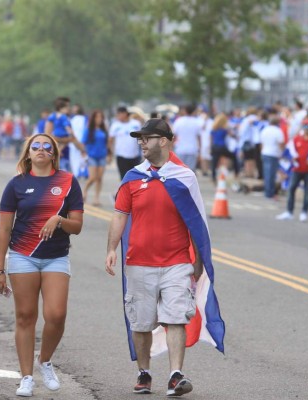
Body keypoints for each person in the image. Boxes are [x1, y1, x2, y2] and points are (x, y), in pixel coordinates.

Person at [105, 118, 225, 397]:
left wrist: (198, 261)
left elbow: (196, 220)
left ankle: (175, 375)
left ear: (164, 140)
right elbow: (119, 215)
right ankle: (144, 372)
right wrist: (111, 248)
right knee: (141, 322)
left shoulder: (184, 177)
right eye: (140, 139)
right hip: (138, 263)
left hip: (177, 262)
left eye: (147, 138)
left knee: (175, 318)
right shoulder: (133, 177)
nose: (142, 143)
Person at [0, 133, 83, 397]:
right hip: (22, 255)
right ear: (28, 153)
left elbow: (76, 226)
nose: (42, 150)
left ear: (54, 153)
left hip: (56, 256)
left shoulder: (68, 182)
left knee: (56, 315)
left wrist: (59, 220)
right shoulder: (16, 185)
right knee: (25, 316)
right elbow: (4, 229)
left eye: (47, 147)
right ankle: (26, 377)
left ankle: (44, 360)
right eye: (36, 146)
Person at [276, 119, 308, 222]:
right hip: (297, 168)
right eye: (305, 127)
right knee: (291, 189)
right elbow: (290, 150)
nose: (307, 129)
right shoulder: (296, 139)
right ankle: (289, 211)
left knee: (307, 191)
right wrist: (294, 157)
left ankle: (304, 212)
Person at [45, 97, 85, 171]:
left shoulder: (70, 117)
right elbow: (47, 134)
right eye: (67, 106)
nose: (69, 108)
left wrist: (82, 148)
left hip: (68, 149)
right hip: (57, 148)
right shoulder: (55, 117)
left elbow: (72, 137)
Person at [81, 109, 109, 206]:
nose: (99, 119)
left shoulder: (103, 130)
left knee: (99, 178)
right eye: (97, 117)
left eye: (101, 117)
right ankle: (84, 191)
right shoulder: (88, 130)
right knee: (92, 177)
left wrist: (109, 155)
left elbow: (107, 143)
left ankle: (96, 198)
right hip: (92, 156)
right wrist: (84, 153)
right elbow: (83, 143)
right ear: (93, 119)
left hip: (102, 156)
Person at [109, 106, 141, 179]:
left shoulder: (136, 124)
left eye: (119, 114)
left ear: (125, 114)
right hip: (121, 156)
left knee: (135, 178)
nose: (118, 116)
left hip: (134, 155)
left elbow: (140, 137)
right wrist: (110, 153)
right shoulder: (115, 125)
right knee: (124, 177)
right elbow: (110, 140)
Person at [260, 115, 285, 199]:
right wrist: (282, 153)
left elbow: (262, 143)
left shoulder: (265, 130)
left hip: (265, 153)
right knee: (271, 174)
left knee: (267, 174)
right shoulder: (278, 131)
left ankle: (267, 191)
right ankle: (270, 192)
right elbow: (281, 143)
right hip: (273, 153)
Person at [210, 113, 239, 183]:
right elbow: (232, 135)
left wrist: (211, 148)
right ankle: (236, 173)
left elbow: (211, 140)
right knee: (233, 157)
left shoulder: (213, 129)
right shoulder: (224, 129)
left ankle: (213, 177)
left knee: (214, 162)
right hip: (221, 147)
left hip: (214, 147)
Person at [172, 104, 202, 171]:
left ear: (185, 111)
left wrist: (171, 147)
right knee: (190, 171)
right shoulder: (196, 122)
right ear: (194, 111)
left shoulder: (179, 121)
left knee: (179, 171)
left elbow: (173, 136)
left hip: (180, 149)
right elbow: (199, 138)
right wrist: (200, 151)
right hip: (192, 149)